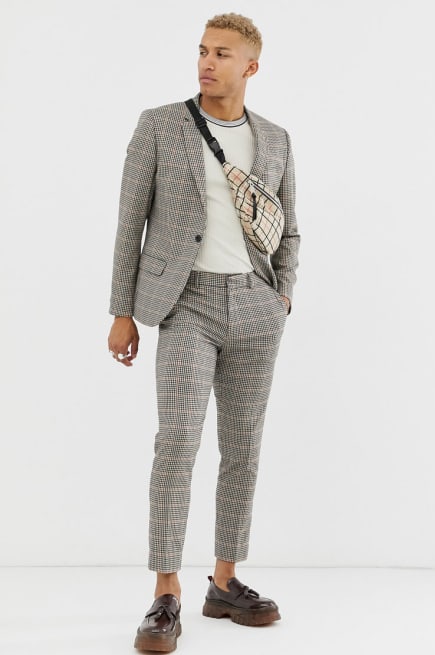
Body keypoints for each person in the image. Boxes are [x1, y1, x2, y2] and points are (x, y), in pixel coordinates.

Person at [107, 12, 300, 653]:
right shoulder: (160, 125)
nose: (207, 62)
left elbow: (290, 227)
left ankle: (224, 582)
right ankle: (166, 592)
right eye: (202, 50)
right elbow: (130, 219)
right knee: (178, 445)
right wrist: (122, 309)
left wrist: (282, 295)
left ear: (251, 66)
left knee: (242, 450)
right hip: (185, 303)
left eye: (222, 53)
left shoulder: (275, 138)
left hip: (255, 306)